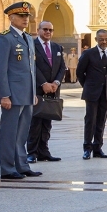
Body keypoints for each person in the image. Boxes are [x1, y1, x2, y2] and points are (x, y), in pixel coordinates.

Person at [0, 2, 41, 180]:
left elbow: (31, 69)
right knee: (9, 133)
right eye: (21, 16)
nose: (25, 19)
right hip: (12, 95)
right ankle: (7, 168)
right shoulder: (4, 39)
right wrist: (4, 94)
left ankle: (22, 165)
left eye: (27, 16)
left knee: (22, 133)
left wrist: (33, 92)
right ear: (11, 18)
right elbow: (0, 69)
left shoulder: (28, 38)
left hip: (27, 94)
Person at [76, 29, 107, 160]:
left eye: (106, 39)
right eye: (101, 39)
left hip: (106, 93)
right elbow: (79, 72)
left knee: (101, 120)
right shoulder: (88, 53)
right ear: (96, 40)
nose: (104, 41)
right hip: (92, 93)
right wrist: (88, 86)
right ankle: (87, 148)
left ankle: (98, 147)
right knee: (90, 120)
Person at [27, 20, 65, 163]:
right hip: (38, 89)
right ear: (38, 30)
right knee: (35, 122)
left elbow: (62, 67)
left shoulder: (57, 47)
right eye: (45, 29)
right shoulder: (32, 46)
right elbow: (32, 67)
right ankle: (31, 152)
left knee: (47, 122)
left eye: (50, 30)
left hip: (53, 90)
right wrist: (43, 83)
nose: (48, 32)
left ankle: (44, 151)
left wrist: (56, 82)